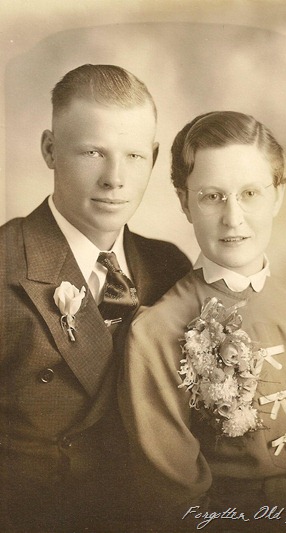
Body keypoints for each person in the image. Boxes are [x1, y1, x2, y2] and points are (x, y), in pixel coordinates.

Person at [119, 111, 286, 532]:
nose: (233, 218)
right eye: (211, 196)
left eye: (251, 193)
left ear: (278, 195)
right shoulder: (155, 333)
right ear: (185, 202)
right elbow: (175, 499)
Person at [0, 64, 191, 532]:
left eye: (133, 156)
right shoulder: (5, 262)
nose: (115, 179)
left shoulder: (170, 267)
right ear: (50, 150)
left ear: (154, 156)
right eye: (92, 152)